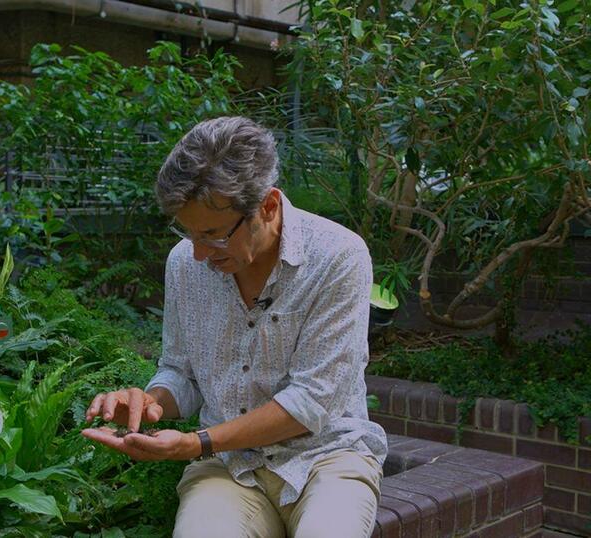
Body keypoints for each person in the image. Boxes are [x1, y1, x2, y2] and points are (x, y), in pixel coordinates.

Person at [83, 116, 388, 538]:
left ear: (267, 205)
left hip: (328, 457)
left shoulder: (338, 256)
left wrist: (196, 442)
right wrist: (149, 402)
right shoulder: (183, 263)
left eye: (213, 235)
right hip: (228, 467)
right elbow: (181, 371)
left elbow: (311, 403)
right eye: (188, 233)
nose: (197, 254)